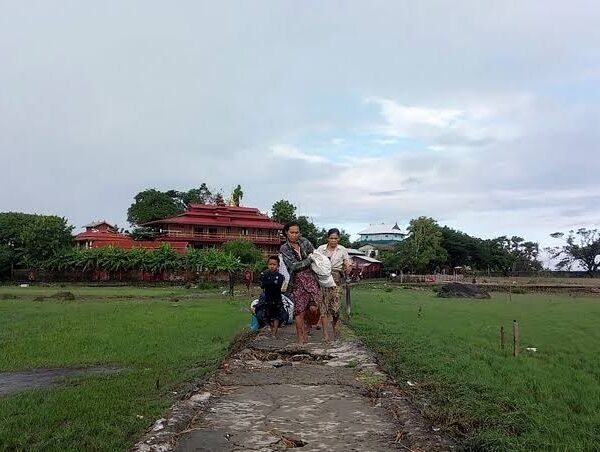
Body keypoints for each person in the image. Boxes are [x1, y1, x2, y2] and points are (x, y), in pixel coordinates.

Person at [280, 221, 321, 345]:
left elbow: (316, 255)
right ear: (286, 233)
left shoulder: (305, 242)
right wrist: (309, 260)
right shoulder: (284, 248)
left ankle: (309, 325)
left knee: (314, 307)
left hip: (312, 279)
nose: (294, 235)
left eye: (297, 232)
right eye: (292, 232)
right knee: (299, 311)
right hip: (297, 281)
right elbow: (293, 266)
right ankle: (300, 339)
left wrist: (312, 259)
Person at [316, 228, 352, 340]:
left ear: (339, 239)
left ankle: (335, 324)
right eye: (331, 238)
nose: (333, 240)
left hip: (336, 279)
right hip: (323, 279)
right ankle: (326, 335)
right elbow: (315, 259)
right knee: (323, 307)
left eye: (336, 238)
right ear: (328, 238)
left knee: (335, 308)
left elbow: (347, 262)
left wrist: (348, 267)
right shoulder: (321, 249)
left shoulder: (342, 250)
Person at [259, 255, 285, 338]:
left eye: (274, 264)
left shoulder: (280, 276)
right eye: (270, 264)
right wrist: (272, 283)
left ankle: (274, 334)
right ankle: (270, 328)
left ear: (278, 266)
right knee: (267, 316)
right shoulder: (264, 275)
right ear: (267, 265)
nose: (272, 266)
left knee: (276, 317)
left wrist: (269, 283)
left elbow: (278, 285)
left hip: (277, 299)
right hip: (267, 299)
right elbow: (263, 285)